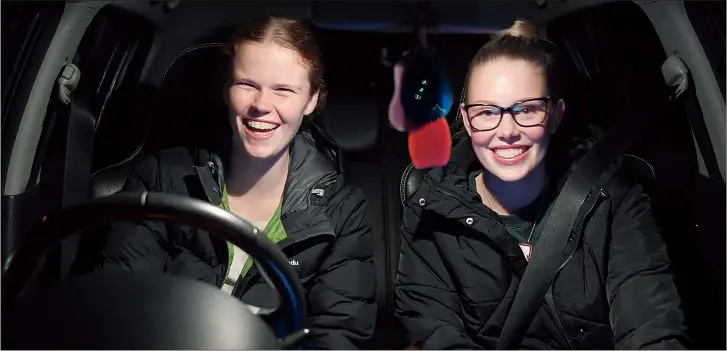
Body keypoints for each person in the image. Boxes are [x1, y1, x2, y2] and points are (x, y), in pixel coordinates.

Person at [84, 16, 376, 349]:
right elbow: (122, 308)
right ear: (226, 89)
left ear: (310, 100)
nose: (262, 105)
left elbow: (338, 336)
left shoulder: (344, 212)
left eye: (284, 90)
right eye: (247, 85)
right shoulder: (162, 178)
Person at [395, 20, 688, 349]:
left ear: (555, 114)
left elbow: (650, 327)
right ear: (466, 120)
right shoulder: (430, 214)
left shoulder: (612, 200)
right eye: (488, 112)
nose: (507, 130)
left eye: (527, 109)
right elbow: (437, 334)